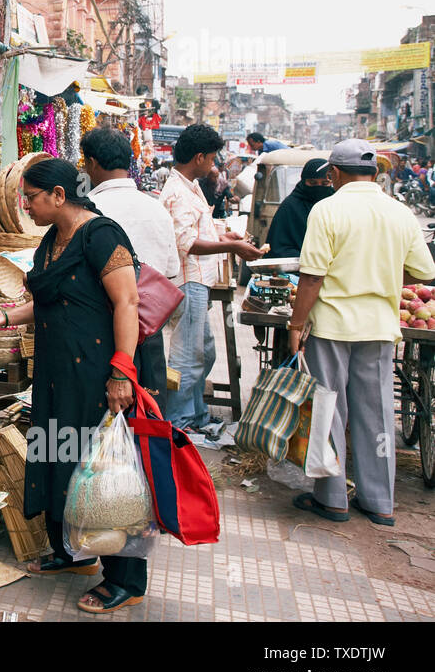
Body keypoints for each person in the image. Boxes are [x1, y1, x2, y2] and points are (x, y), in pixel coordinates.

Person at [0, 158, 148, 615]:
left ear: (59, 195)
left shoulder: (102, 235)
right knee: (58, 454)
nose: (26, 206)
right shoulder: (49, 241)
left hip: (97, 374)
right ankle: (71, 550)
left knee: (100, 468)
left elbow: (128, 301)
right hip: (57, 373)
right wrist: (4, 316)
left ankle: (124, 578)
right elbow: (46, 302)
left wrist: (122, 371)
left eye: (32, 198)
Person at [287, 139, 435, 526]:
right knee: (377, 413)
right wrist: (384, 277)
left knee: (329, 409)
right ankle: (380, 502)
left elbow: (312, 276)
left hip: (333, 325)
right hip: (380, 327)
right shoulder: (400, 213)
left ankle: (333, 497)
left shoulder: (327, 209)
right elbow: (424, 271)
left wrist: (296, 324)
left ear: (334, 173)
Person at [161, 125, 265, 431]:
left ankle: (196, 416)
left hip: (198, 283)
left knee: (204, 353)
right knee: (187, 358)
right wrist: (232, 245)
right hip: (188, 282)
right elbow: (186, 243)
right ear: (199, 157)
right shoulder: (178, 191)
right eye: (211, 158)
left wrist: (225, 233)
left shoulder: (189, 185)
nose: (214, 164)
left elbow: (198, 230)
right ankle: (179, 422)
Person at [81, 126, 180, 397]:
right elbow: (170, 273)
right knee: (147, 420)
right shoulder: (157, 210)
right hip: (149, 332)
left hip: (98, 332)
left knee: (102, 428)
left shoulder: (86, 211)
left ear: (91, 163)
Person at [264, 158, 333, 258]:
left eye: (324, 183)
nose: (319, 187)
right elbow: (278, 248)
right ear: (304, 181)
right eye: (313, 183)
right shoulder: (290, 206)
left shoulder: (335, 205)